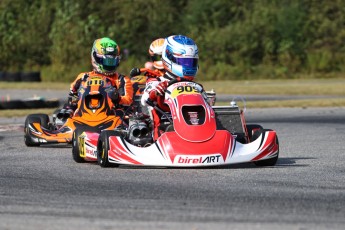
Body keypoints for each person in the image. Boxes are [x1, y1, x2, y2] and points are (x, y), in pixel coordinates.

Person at [140, 35, 208, 140]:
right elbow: (144, 100)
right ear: (169, 58)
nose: (187, 66)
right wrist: (156, 92)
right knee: (168, 129)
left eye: (190, 62)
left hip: (195, 129)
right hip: (165, 132)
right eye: (183, 62)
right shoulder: (156, 82)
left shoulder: (196, 87)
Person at [59, 37, 133, 118]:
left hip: (110, 117)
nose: (109, 64)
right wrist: (72, 102)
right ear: (96, 58)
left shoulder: (122, 80)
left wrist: (116, 98)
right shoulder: (83, 77)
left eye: (112, 61)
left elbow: (128, 101)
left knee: (123, 114)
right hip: (83, 116)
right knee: (67, 109)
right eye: (106, 61)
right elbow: (73, 96)